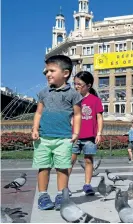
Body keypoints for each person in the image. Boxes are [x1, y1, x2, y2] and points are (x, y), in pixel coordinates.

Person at [31, 55, 82, 210]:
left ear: (65, 73)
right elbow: (38, 113)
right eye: (47, 71)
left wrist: (76, 133)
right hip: (43, 138)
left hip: (64, 138)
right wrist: (34, 128)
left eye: (52, 70)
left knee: (62, 168)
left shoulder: (73, 94)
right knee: (43, 167)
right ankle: (43, 196)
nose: (47, 74)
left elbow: (78, 114)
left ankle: (62, 195)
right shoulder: (43, 93)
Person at [68, 71, 103, 196]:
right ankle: (65, 186)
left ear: (88, 85)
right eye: (75, 84)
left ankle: (87, 185)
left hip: (90, 137)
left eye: (79, 84)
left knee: (89, 160)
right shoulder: (72, 99)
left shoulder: (95, 100)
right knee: (69, 161)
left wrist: (99, 133)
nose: (76, 86)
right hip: (74, 137)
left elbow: (99, 118)